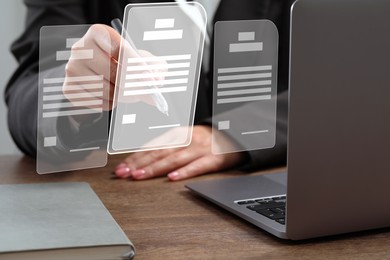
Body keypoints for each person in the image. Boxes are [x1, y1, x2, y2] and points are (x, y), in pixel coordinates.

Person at [5, 0, 291, 181]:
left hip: (268, 179)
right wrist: (77, 97)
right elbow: (29, 90)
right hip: (130, 198)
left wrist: (231, 133)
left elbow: (332, 83)